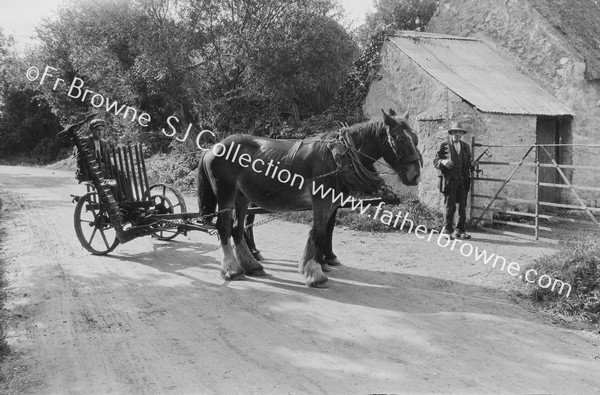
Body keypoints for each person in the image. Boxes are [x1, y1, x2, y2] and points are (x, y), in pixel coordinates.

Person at [434, 121, 478, 239]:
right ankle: (447, 231)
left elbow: (467, 163)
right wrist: (443, 161)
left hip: (462, 180)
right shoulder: (444, 145)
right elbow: (435, 161)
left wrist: (472, 164)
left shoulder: (465, 147)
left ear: (462, 134)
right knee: (450, 206)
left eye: (459, 132)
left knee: (462, 206)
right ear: (451, 133)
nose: (457, 134)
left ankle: (460, 230)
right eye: (455, 132)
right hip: (450, 181)